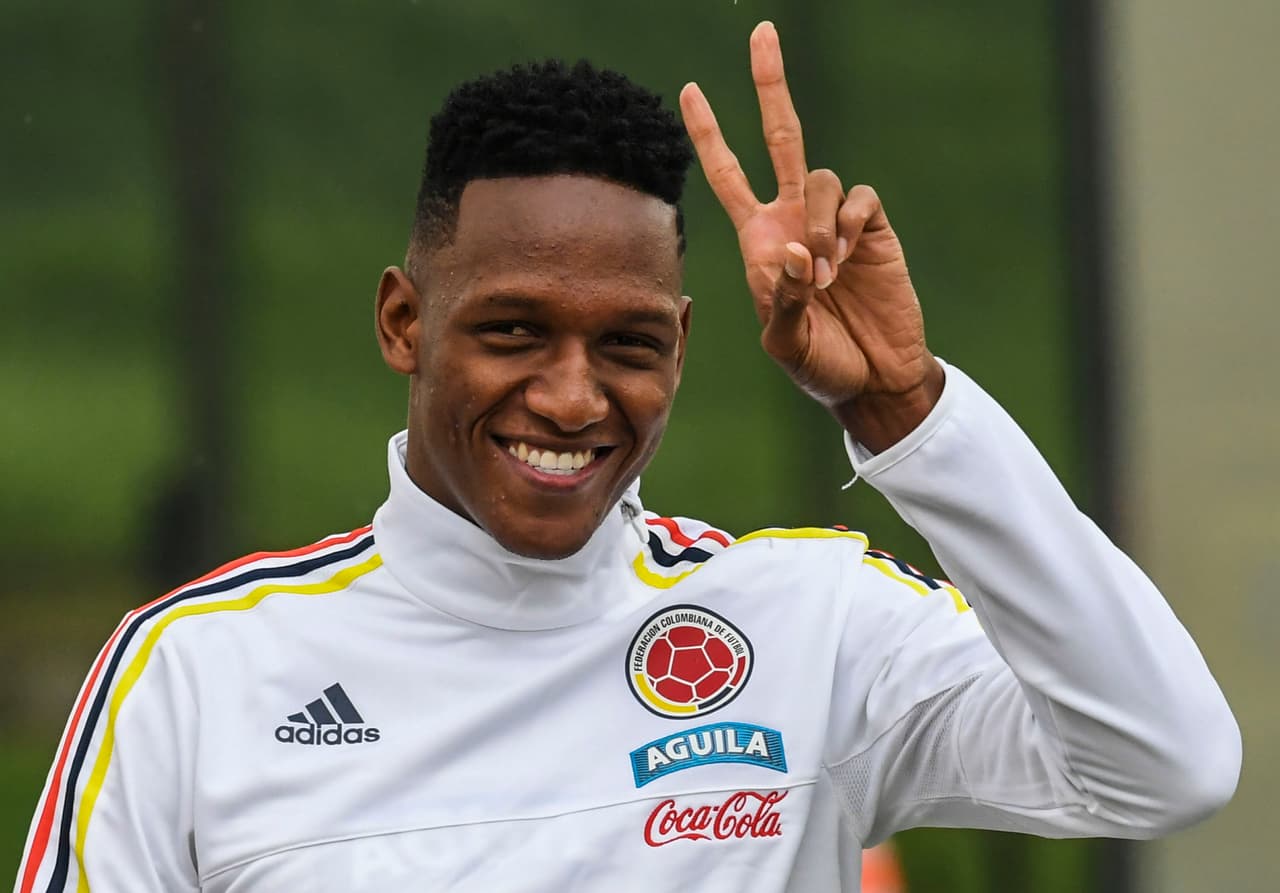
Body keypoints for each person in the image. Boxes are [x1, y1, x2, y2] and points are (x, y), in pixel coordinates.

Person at [15, 21, 1239, 893]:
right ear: (403, 321)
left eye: (628, 344)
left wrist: (910, 413)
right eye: (511, 331)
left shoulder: (809, 623)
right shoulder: (195, 669)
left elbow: (1161, 761)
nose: (568, 395)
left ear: (684, 344)